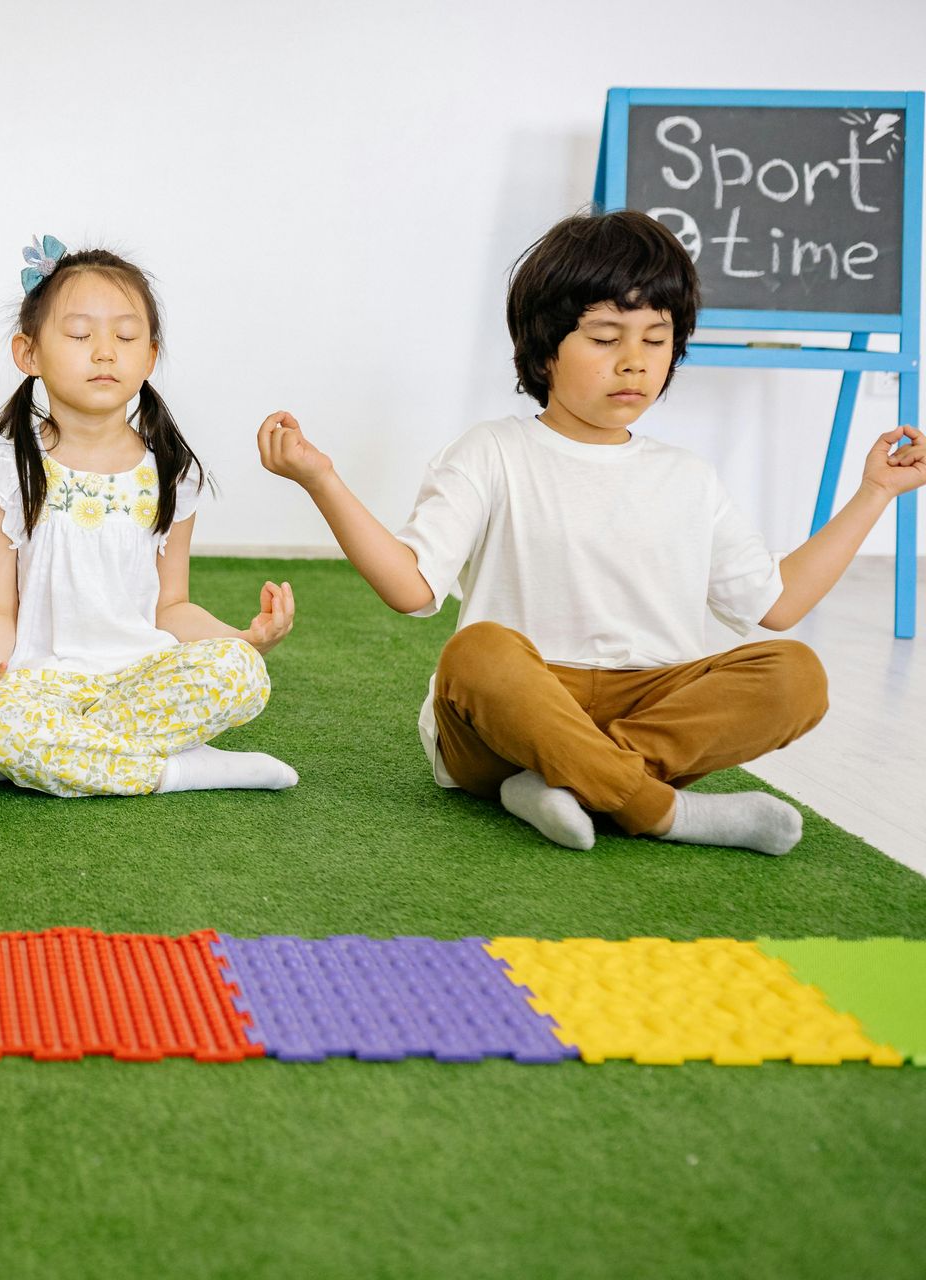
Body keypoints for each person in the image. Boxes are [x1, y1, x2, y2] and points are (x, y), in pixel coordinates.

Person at [257, 208, 926, 854]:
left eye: (656, 340)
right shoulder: (491, 451)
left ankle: (561, 783)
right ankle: (659, 810)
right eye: (606, 339)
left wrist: (874, 494)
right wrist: (323, 481)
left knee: (797, 676)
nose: (634, 361)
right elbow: (411, 588)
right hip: (513, 714)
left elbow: (778, 605)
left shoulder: (690, 477)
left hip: (649, 702)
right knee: (477, 653)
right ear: (545, 351)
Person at [0, 238, 295, 797]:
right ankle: (182, 770)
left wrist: (243, 637)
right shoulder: (6, 469)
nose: (105, 352)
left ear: (149, 357)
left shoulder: (171, 474)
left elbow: (170, 607)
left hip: (138, 677)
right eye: (80, 335)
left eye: (125, 337)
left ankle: (38, 756)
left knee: (241, 673)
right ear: (27, 354)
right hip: (41, 684)